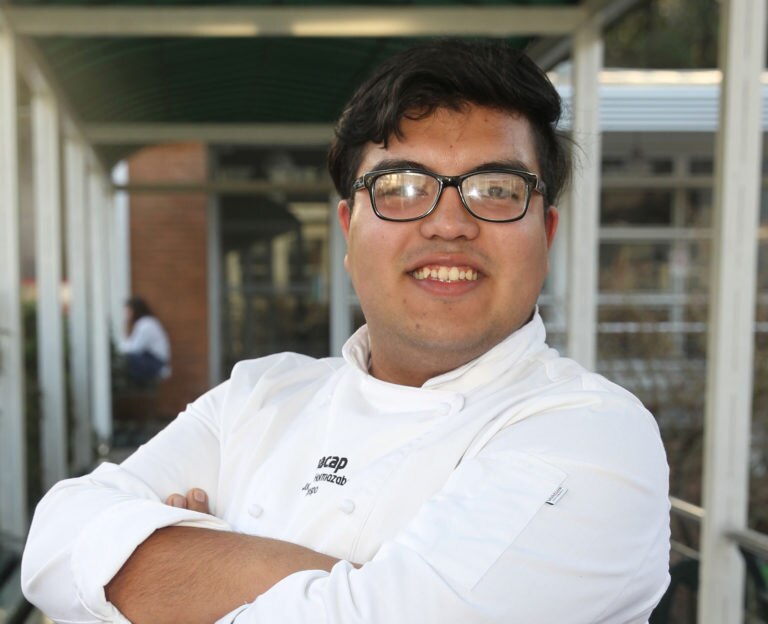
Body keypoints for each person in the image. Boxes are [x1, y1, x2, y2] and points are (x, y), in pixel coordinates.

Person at [21, 39, 670, 623]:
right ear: (346, 231)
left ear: (547, 234)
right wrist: (350, 585)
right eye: (401, 186)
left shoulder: (595, 435)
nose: (449, 224)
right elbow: (51, 548)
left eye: (496, 189)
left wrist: (175, 553)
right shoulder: (260, 394)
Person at [119, 296, 171, 386]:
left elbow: (135, 348)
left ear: (135, 310)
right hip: (153, 359)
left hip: (156, 362)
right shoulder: (145, 322)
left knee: (128, 359)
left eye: (128, 312)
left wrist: (121, 346)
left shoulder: (145, 324)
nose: (126, 316)